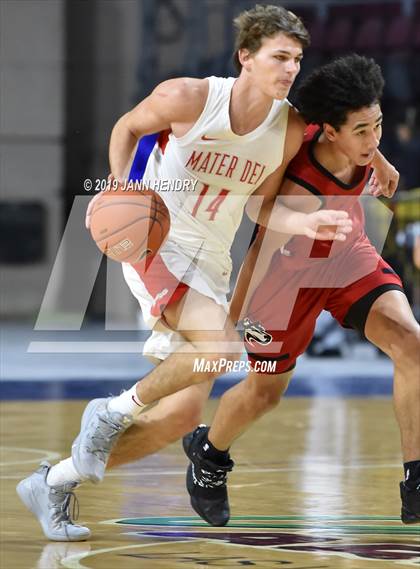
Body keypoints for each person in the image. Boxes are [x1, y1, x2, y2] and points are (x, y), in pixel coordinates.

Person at [16, 5, 398, 541]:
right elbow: (128, 127)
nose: (290, 69)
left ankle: (54, 481)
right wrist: (121, 183)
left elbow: (263, 206)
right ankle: (110, 411)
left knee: (178, 417)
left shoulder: (287, 127)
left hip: (212, 262)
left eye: (297, 59)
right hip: (158, 236)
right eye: (279, 57)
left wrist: (319, 214)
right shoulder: (190, 97)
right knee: (219, 346)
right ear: (246, 56)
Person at [182, 54, 420, 527]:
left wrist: (382, 159)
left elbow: (367, 134)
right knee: (264, 394)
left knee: (411, 343)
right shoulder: (296, 159)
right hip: (283, 278)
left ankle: (416, 481)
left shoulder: (359, 139)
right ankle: (209, 455)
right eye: (361, 131)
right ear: (329, 131)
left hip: (347, 258)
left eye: (378, 125)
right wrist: (233, 316)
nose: (373, 138)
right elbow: (260, 217)